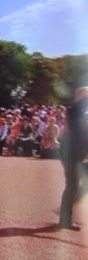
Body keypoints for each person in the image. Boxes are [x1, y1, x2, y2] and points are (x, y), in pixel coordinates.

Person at [58, 87, 88, 231]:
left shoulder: (81, 113)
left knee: (75, 185)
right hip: (70, 154)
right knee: (72, 185)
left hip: (78, 154)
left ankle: (68, 210)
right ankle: (65, 220)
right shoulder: (74, 111)